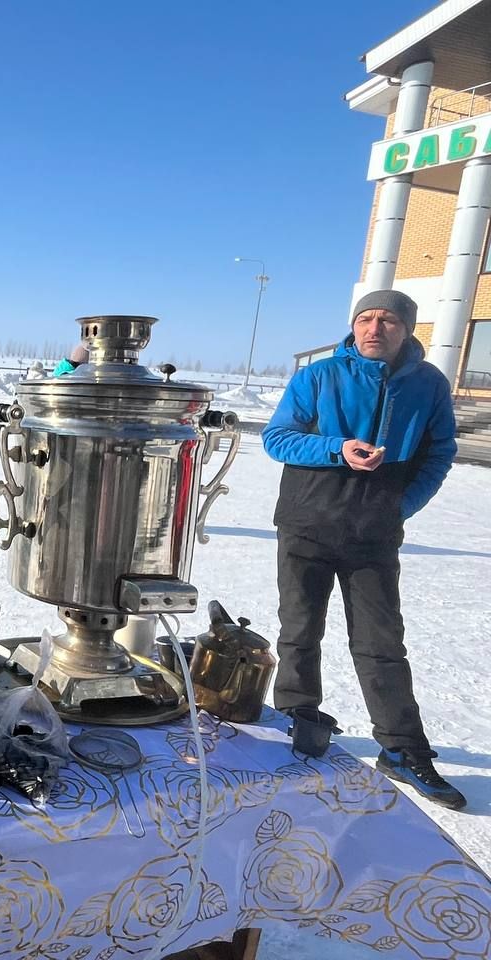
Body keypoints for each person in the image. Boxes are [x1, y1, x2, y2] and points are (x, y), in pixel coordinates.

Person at [262, 289, 463, 810]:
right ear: (354, 326)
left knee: (381, 643)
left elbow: (439, 453)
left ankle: (401, 749)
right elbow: (277, 438)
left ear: (407, 330)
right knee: (300, 632)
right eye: (365, 318)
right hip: (308, 520)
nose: (375, 328)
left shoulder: (428, 385)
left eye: (388, 320)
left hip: (374, 533)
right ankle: (298, 725)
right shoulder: (318, 377)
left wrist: (400, 505)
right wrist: (336, 448)